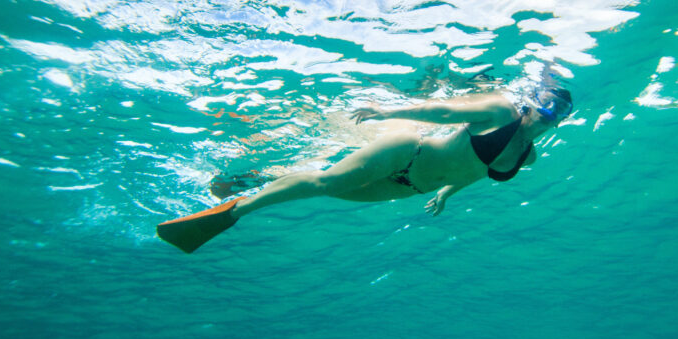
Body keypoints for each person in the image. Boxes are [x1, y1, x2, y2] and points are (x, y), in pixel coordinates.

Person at [156, 85, 573, 253]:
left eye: (562, 111)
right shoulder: (500, 110)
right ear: (534, 99)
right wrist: (388, 109)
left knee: (328, 187)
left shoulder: (528, 155)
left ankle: (254, 181)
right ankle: (232, 212)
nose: (552, 112)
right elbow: (441, 110)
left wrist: (445, 194)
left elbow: (473, 172)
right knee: (327, 181)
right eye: (549, 102)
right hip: (407, 152)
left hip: (411, 187)